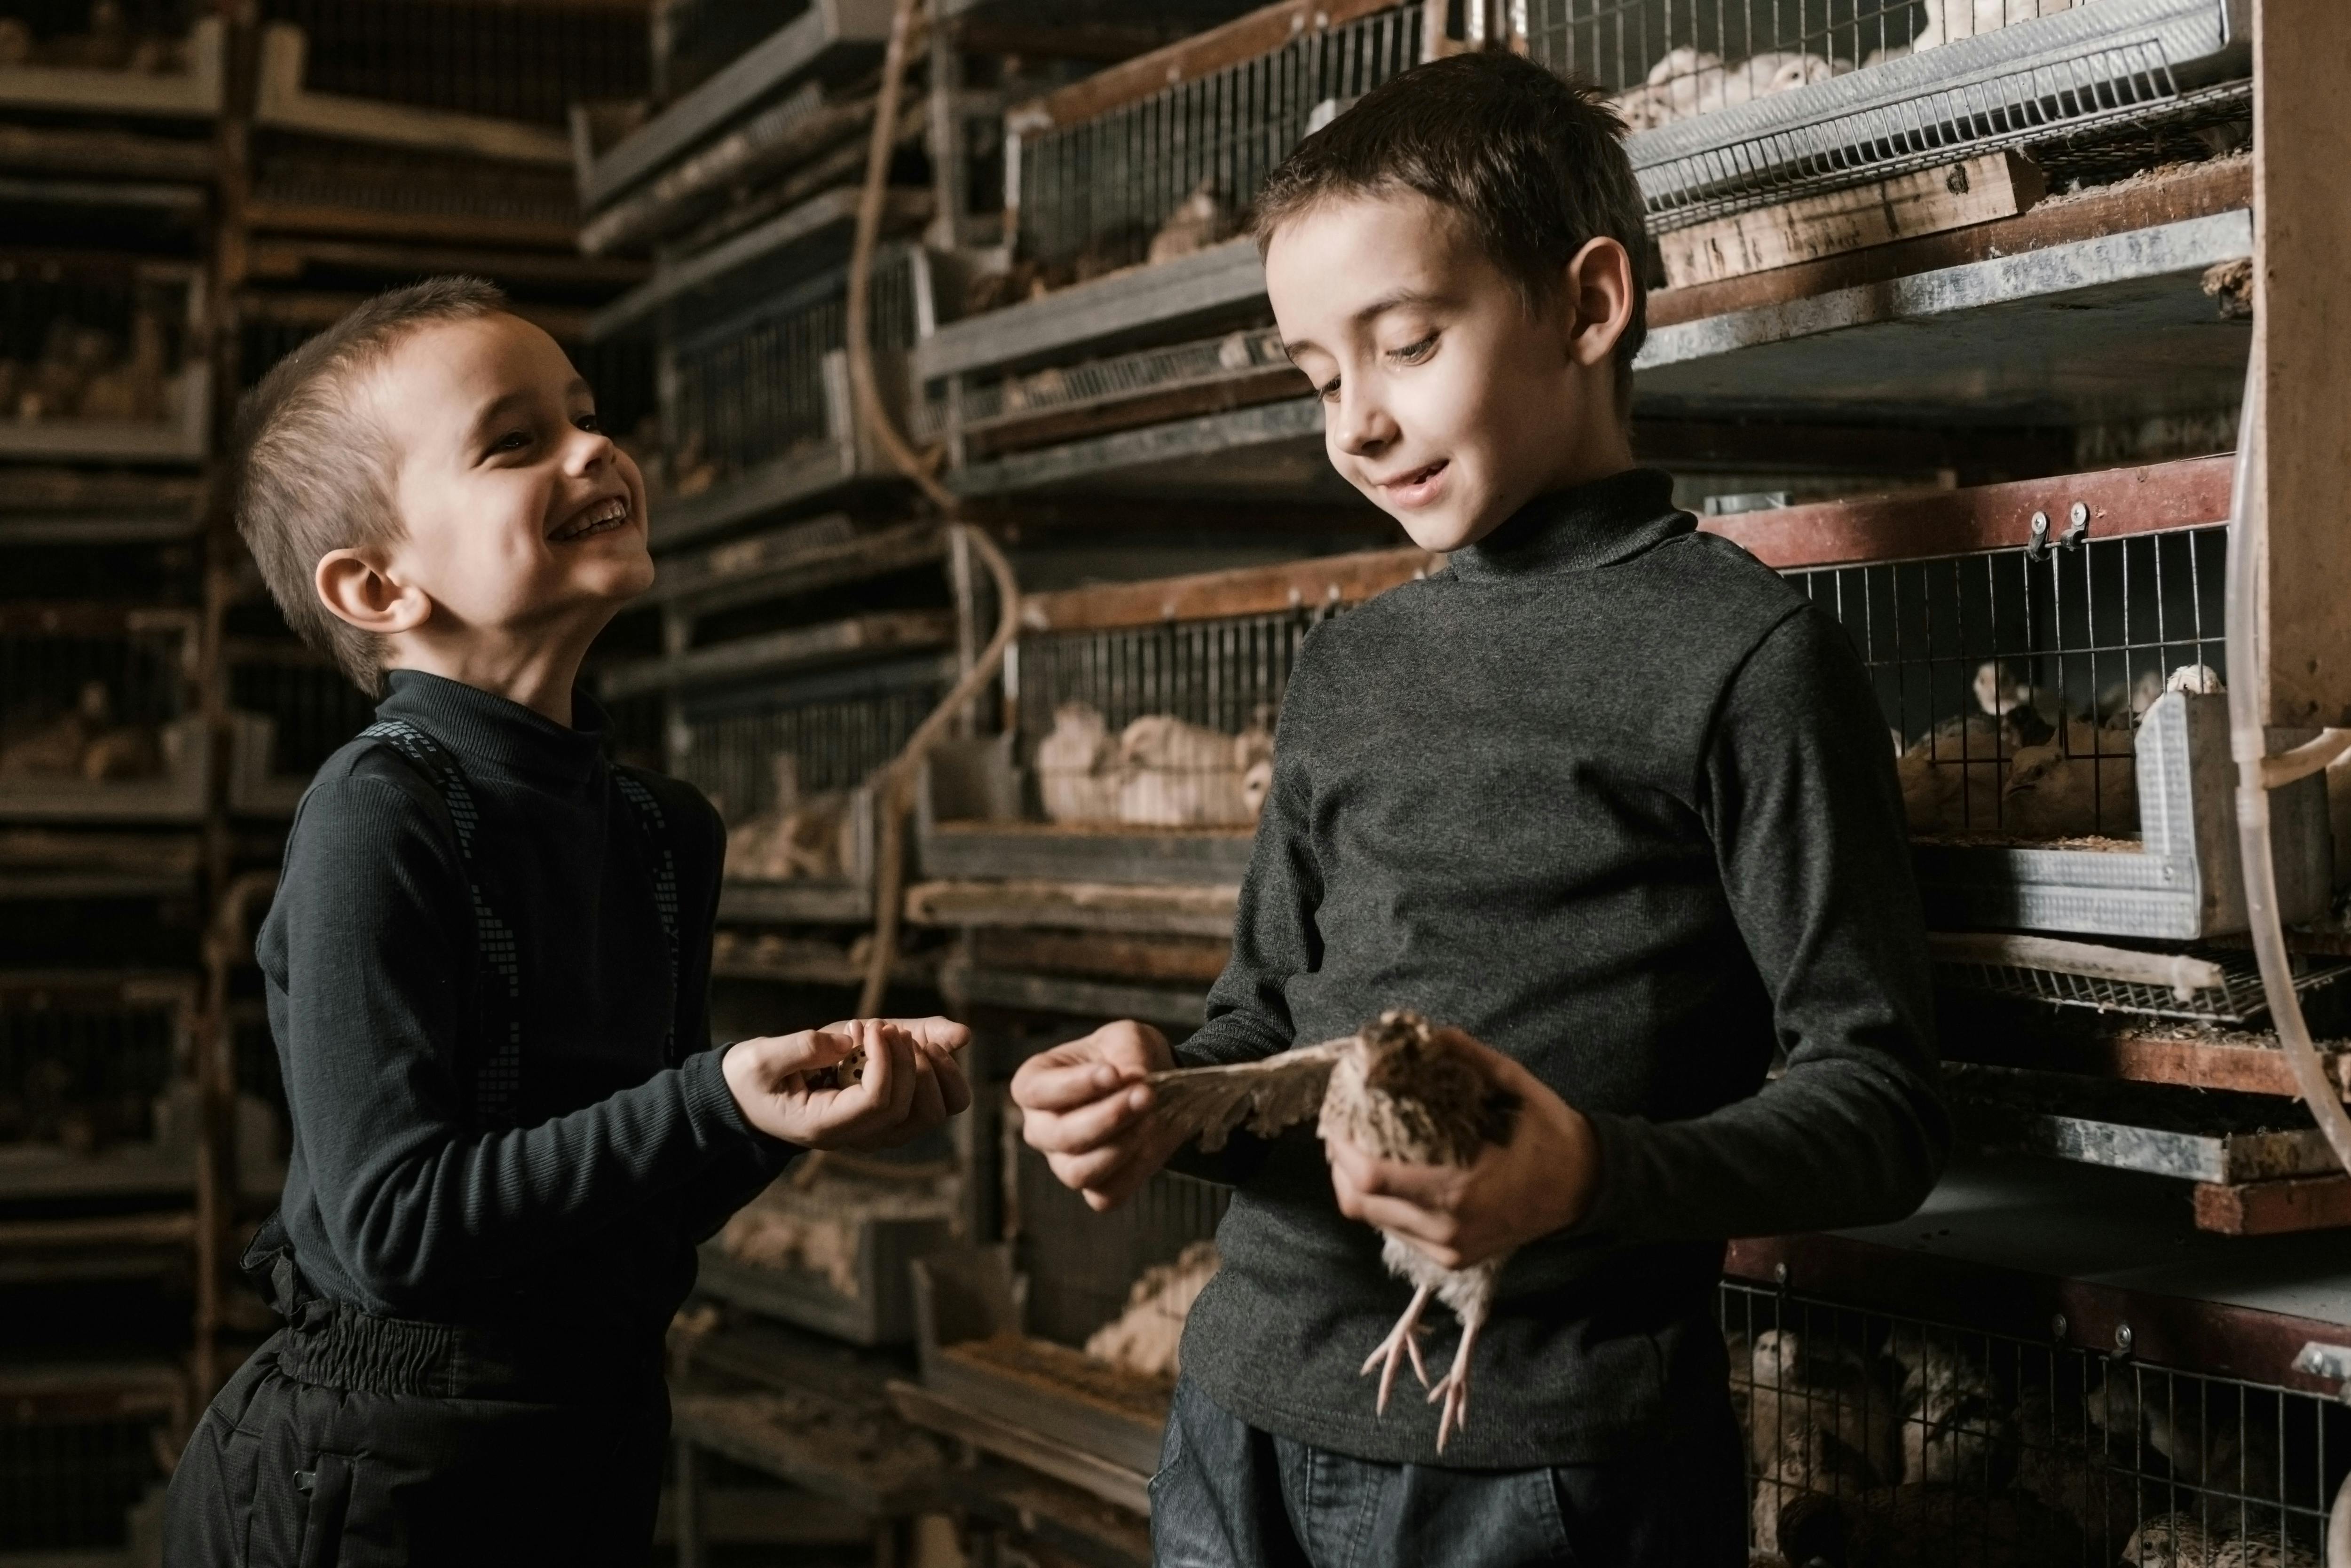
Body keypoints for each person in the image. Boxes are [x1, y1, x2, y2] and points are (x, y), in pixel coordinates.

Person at [1011, 50, 1947, 1568]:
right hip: (1243, 1406)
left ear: (1587, 307)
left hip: (1543, 1465)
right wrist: (1162, 1092)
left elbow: (1882, 1109)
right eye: (1320, 377)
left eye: (1407, 344)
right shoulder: (1347, 662)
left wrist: (1588, 1179)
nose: (1357, 424)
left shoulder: (1747, 659)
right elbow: (1263, 1022)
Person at [163, 278, 971, 1566]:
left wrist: (794, 1113)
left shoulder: (662, 830)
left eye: (584, 417)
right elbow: (398, 1232)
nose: (595, 449)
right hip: (375, 1478)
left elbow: (619, 1200)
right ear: (379, 587)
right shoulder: (379, 820)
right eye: (514, 441)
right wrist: (715, 1100)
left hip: (586, 1438)